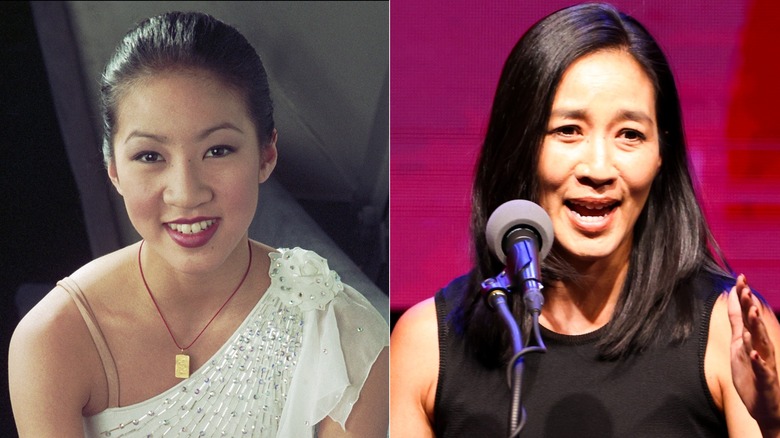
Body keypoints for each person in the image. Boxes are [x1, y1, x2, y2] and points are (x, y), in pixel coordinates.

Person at [390, 3, 780, 437]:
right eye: (568, 130)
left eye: (629, 134)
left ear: (661, 158)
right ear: (519, 146)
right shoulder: (427, 344)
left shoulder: (730, 333)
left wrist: (773, 423)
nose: (598, 168)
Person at [9, 11, 388, 438]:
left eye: (218, 150)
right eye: (150, 156)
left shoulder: (340, 333)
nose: (186, 194)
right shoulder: (54, 341)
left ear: (266, 155)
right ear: (113, 170)